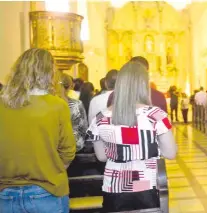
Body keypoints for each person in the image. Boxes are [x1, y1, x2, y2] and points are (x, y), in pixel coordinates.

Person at [87, 61, 177, 212]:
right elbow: (171, 153)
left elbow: (101, 157)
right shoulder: (155, 115)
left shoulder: (101, 117)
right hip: (145, 184)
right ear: (143, 85)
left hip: (114, 187)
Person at [0, 48, 75, 212]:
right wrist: (50, 168)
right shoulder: (57, 105)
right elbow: (68, 151)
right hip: (47, 191)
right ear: (50, 72)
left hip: (6, 193)